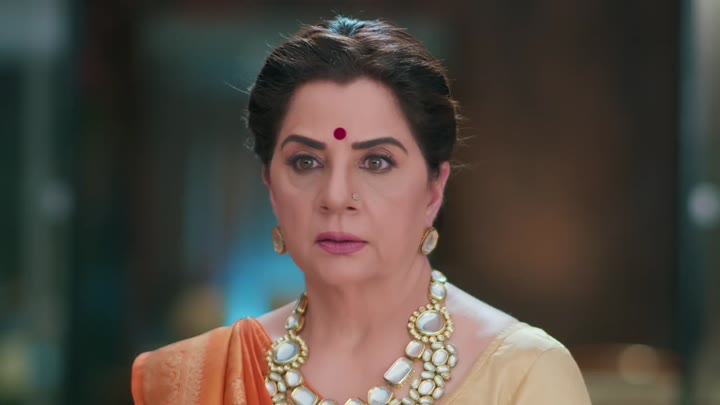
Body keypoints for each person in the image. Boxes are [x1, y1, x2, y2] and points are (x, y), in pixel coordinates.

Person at [131, 16, 592, 405]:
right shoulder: (190, 381)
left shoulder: (522, 375)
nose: (336, 196)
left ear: (434, 189)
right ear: (270, 186)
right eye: (306, 162)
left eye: (376, 162)